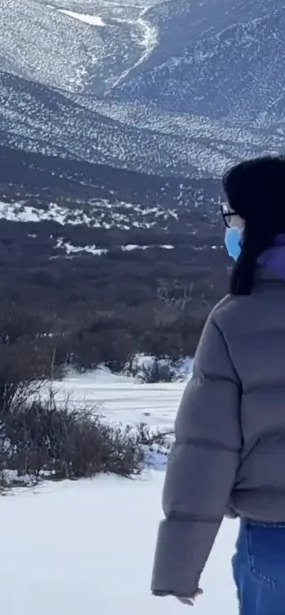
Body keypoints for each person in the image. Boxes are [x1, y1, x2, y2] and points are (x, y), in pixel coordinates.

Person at [151, 156, 285, 614]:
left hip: (275, 541)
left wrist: (178, 568)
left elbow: (205, 451)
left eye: (233, 215)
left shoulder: (234, 320)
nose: (230, 227)